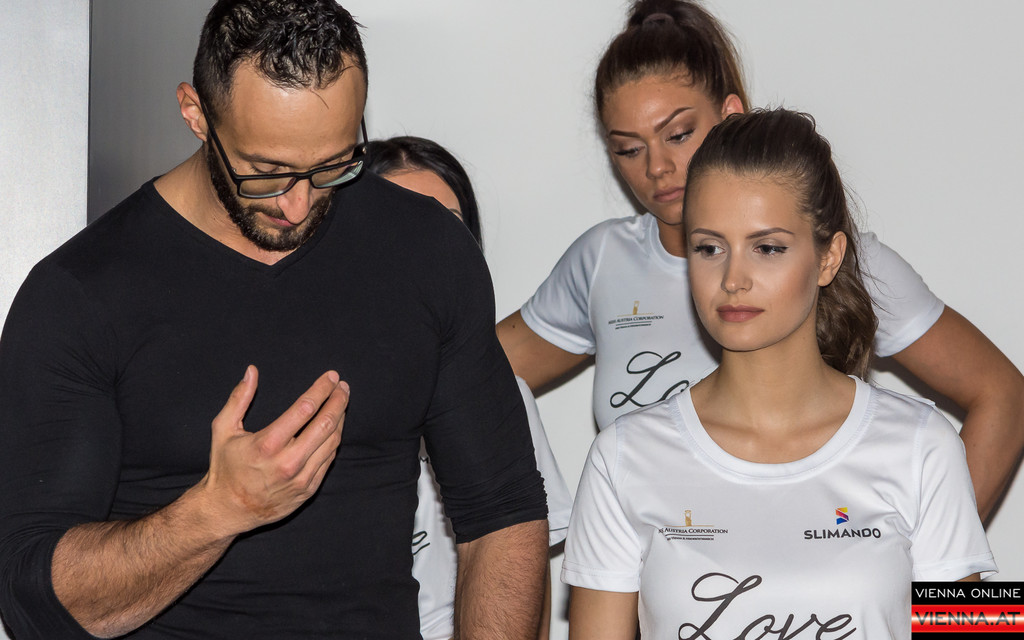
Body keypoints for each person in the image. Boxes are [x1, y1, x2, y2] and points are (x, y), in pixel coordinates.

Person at [0, 1, 548, 638]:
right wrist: (216, 512)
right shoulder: (81, 292)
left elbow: (503, 511)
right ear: (195, 114)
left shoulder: (426, 251)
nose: (297, 204)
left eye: (333, 165)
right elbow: (35, 602)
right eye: (265, 172)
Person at [496, 0, 1024, 522]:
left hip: (818, 572)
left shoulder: (834, 259)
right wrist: (523, 527)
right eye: (628, 149)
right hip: (653, 576)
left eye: (678, 134)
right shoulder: (601, 262)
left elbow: (1004, 396)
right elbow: (470, 372)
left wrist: (924, 556)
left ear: (730, 114)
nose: (657, 167)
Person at [562, 107, 996, 639]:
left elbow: (979, 630)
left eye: (767, 248)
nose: (733, 279)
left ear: (829, 257)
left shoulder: (927, 443)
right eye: (709, 248)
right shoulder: (621, 456)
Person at [366, 135, 574, 640]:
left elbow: (530, 591)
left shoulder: (505, 398)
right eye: (402, 229)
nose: (430, 252)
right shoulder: (309, 397)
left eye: (449, 229)